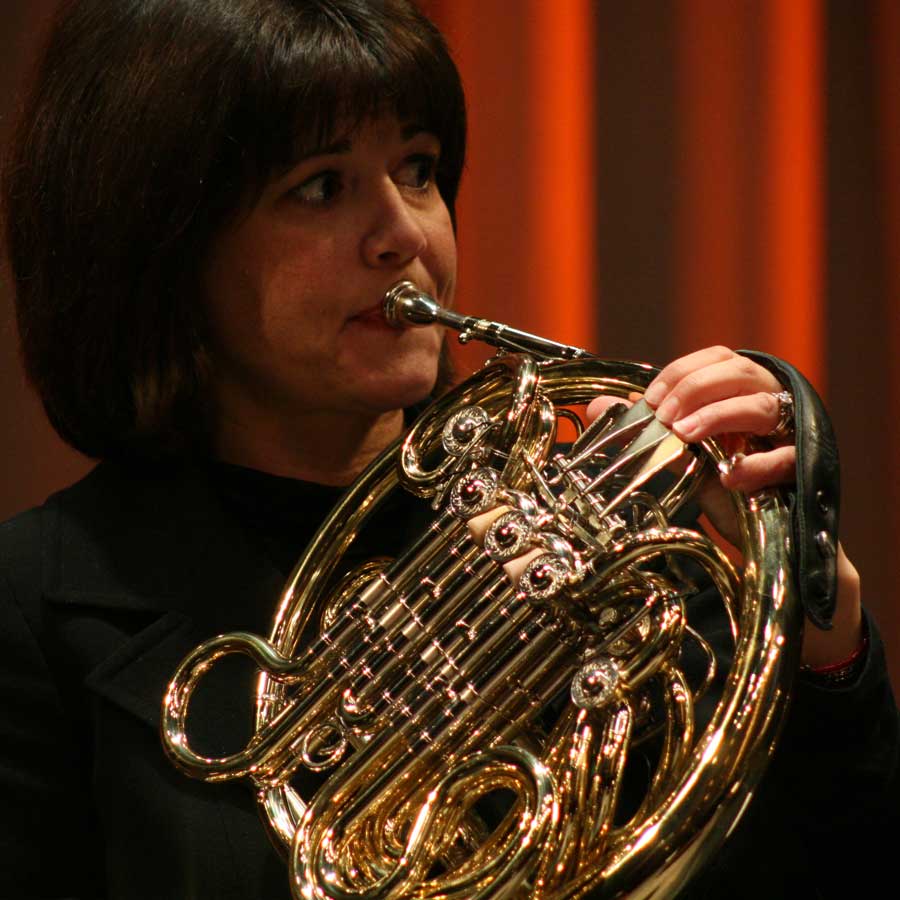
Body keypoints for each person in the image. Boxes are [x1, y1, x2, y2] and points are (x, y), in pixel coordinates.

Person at [0, 1, 896, 898]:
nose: (405, 235)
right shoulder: (36, 606)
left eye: (418, 170)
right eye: (321, 185)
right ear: (164, 246)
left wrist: (818, 647)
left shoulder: (604, 539)